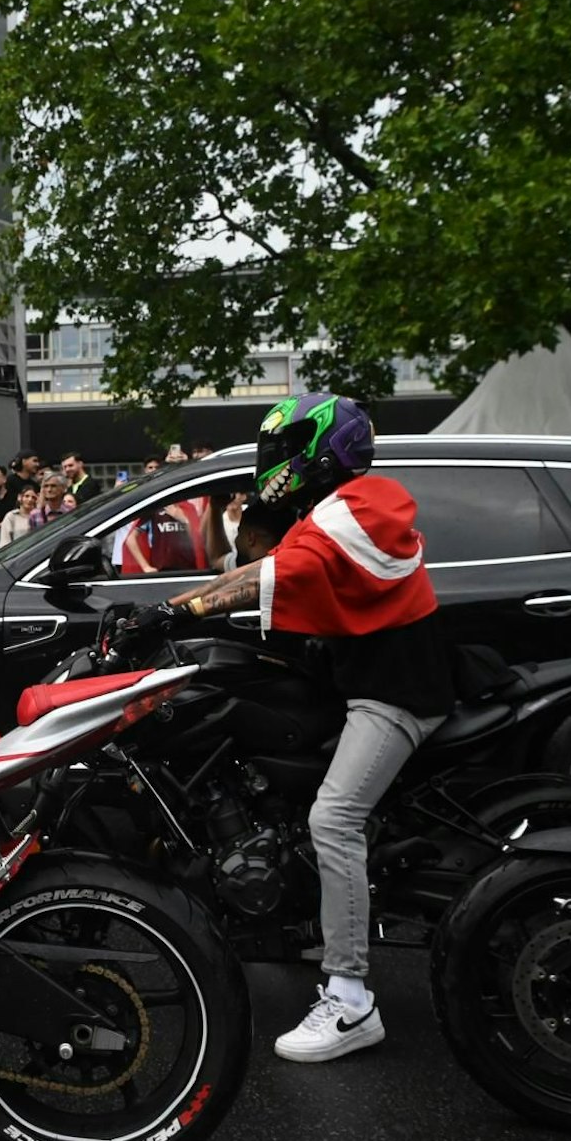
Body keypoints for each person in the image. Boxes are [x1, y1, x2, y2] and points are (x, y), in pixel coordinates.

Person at [137, 393, 451, 1063]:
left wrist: (173, 611)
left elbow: (280, 573)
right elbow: (262, 562)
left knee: (333, 818)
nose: (273, 460)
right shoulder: (328, 511)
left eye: (285, 448)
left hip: (393, 695)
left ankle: (350, 997)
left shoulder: (364, 505)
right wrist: (185, 599)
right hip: (355, 684)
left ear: (321, 451)